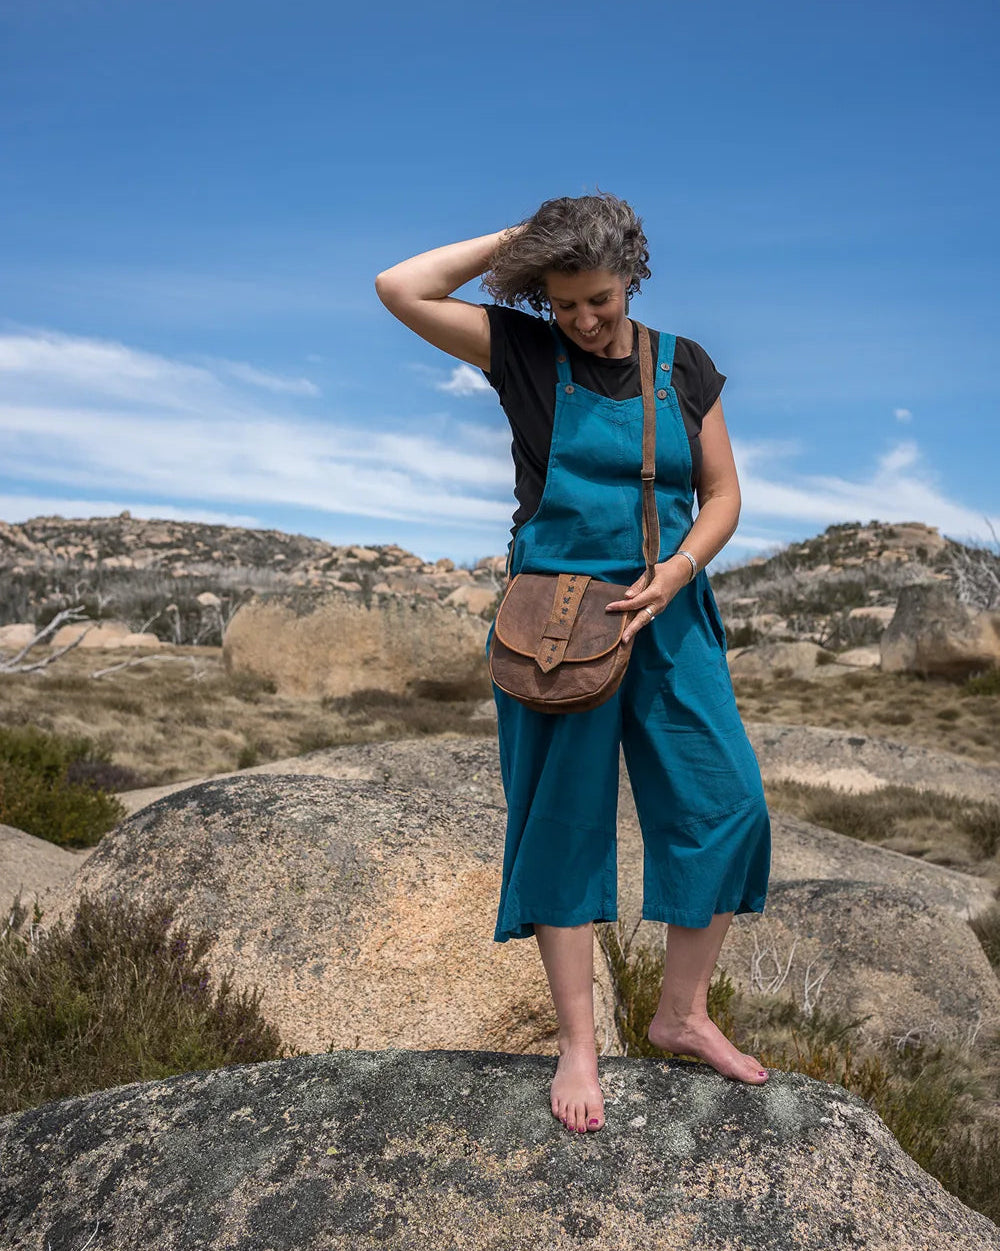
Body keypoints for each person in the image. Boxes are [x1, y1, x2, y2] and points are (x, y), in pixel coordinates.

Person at [375, 191, 772, 1137]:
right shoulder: (522, 350)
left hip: (669, 613)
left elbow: (722, 495)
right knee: (560, 824)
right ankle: (578, 1045)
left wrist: (675, 573)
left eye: (598, 297)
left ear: (632, 277)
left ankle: (680, 1013)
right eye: (564, 302)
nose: (585, 320)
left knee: (728, 802)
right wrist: (523, 243)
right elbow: (400, 286)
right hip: (553, 622)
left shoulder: (685, 366)